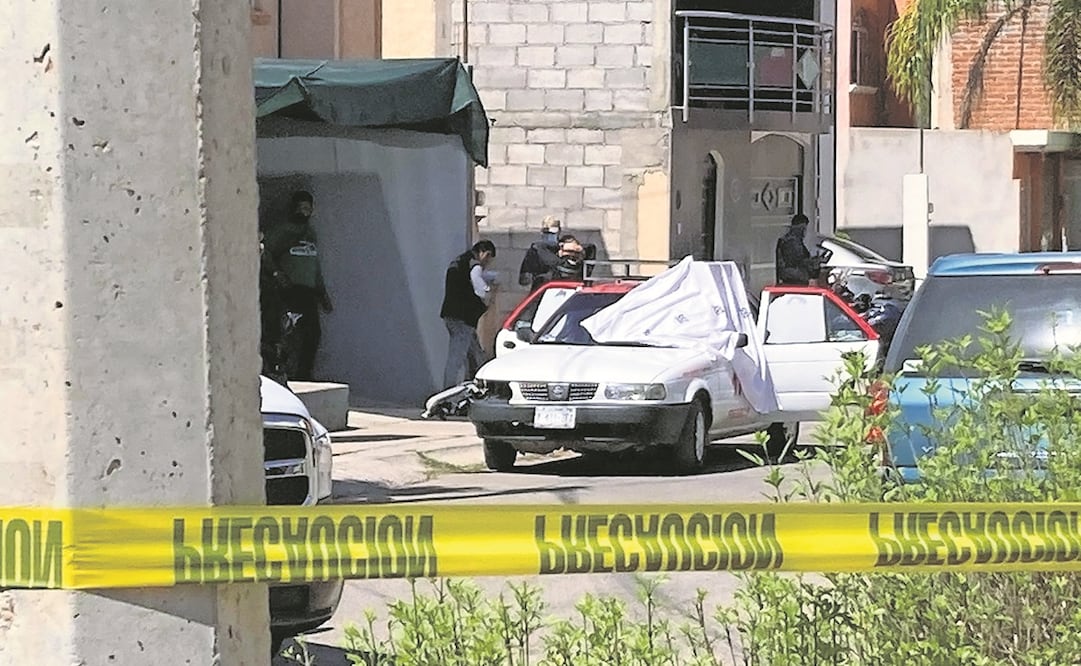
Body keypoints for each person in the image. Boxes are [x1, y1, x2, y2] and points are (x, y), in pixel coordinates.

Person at [262, 190, 333, 381]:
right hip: (288, 290)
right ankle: (280, 372)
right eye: (301, 208)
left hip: (308, 291)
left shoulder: (310, 233)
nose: (305, 212)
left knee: (312, 335)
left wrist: (322, 293)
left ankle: (304, 375)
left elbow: (315, 265)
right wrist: (277, 274)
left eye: (308, 209)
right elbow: (265, 252)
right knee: (286, 333)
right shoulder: (282, 231)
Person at [440, 240, 497, 389]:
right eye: (488, 259)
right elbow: (481, 290)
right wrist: (491, 292)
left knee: (476, 354)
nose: (487, 263)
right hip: (463, 318)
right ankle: (448, 392)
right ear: (484, 253)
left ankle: (481, 387)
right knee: (457, 358)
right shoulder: (474, 266)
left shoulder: (461, 261)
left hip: (455, 316)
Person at [775, 214, 817, 285]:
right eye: (803, 228)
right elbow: (796, 261)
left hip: (795, 278)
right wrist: (813, 262)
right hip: (793, 279)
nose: (804, 232)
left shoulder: (794, 240)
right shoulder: (790, 242)